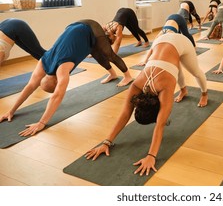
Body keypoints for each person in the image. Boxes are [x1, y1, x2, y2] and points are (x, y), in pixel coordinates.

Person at [84, 32, 208, 176]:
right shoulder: (137, 85)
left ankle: (204, 93)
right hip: (160, 40)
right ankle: (184, 90)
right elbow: (125, 114)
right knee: (175, 67)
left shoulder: (165, 89)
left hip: (180, 41)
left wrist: (151, 156)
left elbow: (160, 124)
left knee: (195, 72)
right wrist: (106, 142)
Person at [0, 19, 133, 136]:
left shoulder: (63, 69)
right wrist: (11, 111)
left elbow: (56, 95)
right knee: (98, 54)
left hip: (90, 27)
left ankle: (127, 76)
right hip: (75, 26)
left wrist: (42, 122)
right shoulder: (44, 60)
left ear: (56, 81)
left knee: (108, 54)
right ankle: (113, 74)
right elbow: (30, 86)